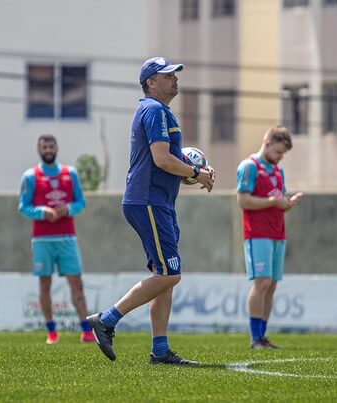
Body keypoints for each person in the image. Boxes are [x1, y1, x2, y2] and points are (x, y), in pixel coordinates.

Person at [86, 56, 214, 365]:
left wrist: (187, 172)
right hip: (148, 201)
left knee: (164, 275)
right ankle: (106, 319)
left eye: (174, 74)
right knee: (170, 273)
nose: (174, 78)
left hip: (156, 201)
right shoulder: (154, 110)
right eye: (167, 75)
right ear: (150, 83)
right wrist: (197, 174)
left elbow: (166, 163)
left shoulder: (159, 110)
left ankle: (160, 350)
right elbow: (161, 159)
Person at [18, 134, 95, 345]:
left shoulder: (70, 174)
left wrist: (68, 209)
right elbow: (23, 207)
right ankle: (52, 331)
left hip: (67, 237)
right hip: (42, 240)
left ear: (56, 148)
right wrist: (42, 212)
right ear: (39, 149)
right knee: (45, 283)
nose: (48, 150)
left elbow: (81, 203)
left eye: (51, 146)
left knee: (76, 282)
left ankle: (86, 330)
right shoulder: (30, 176)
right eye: (44, 147)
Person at [236, 126, 303, 349]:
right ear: (267, 143)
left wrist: (287, 203)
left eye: (283, 154)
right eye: (278, 152)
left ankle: (262, 336)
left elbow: (278, 200)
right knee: (261, 282)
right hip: (257, 233)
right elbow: (243, 200)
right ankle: (255, 338)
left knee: (272, 285)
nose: (280, 157)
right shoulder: (249, 167)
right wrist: (274, 202)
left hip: (277, 232)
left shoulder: (277, 171)